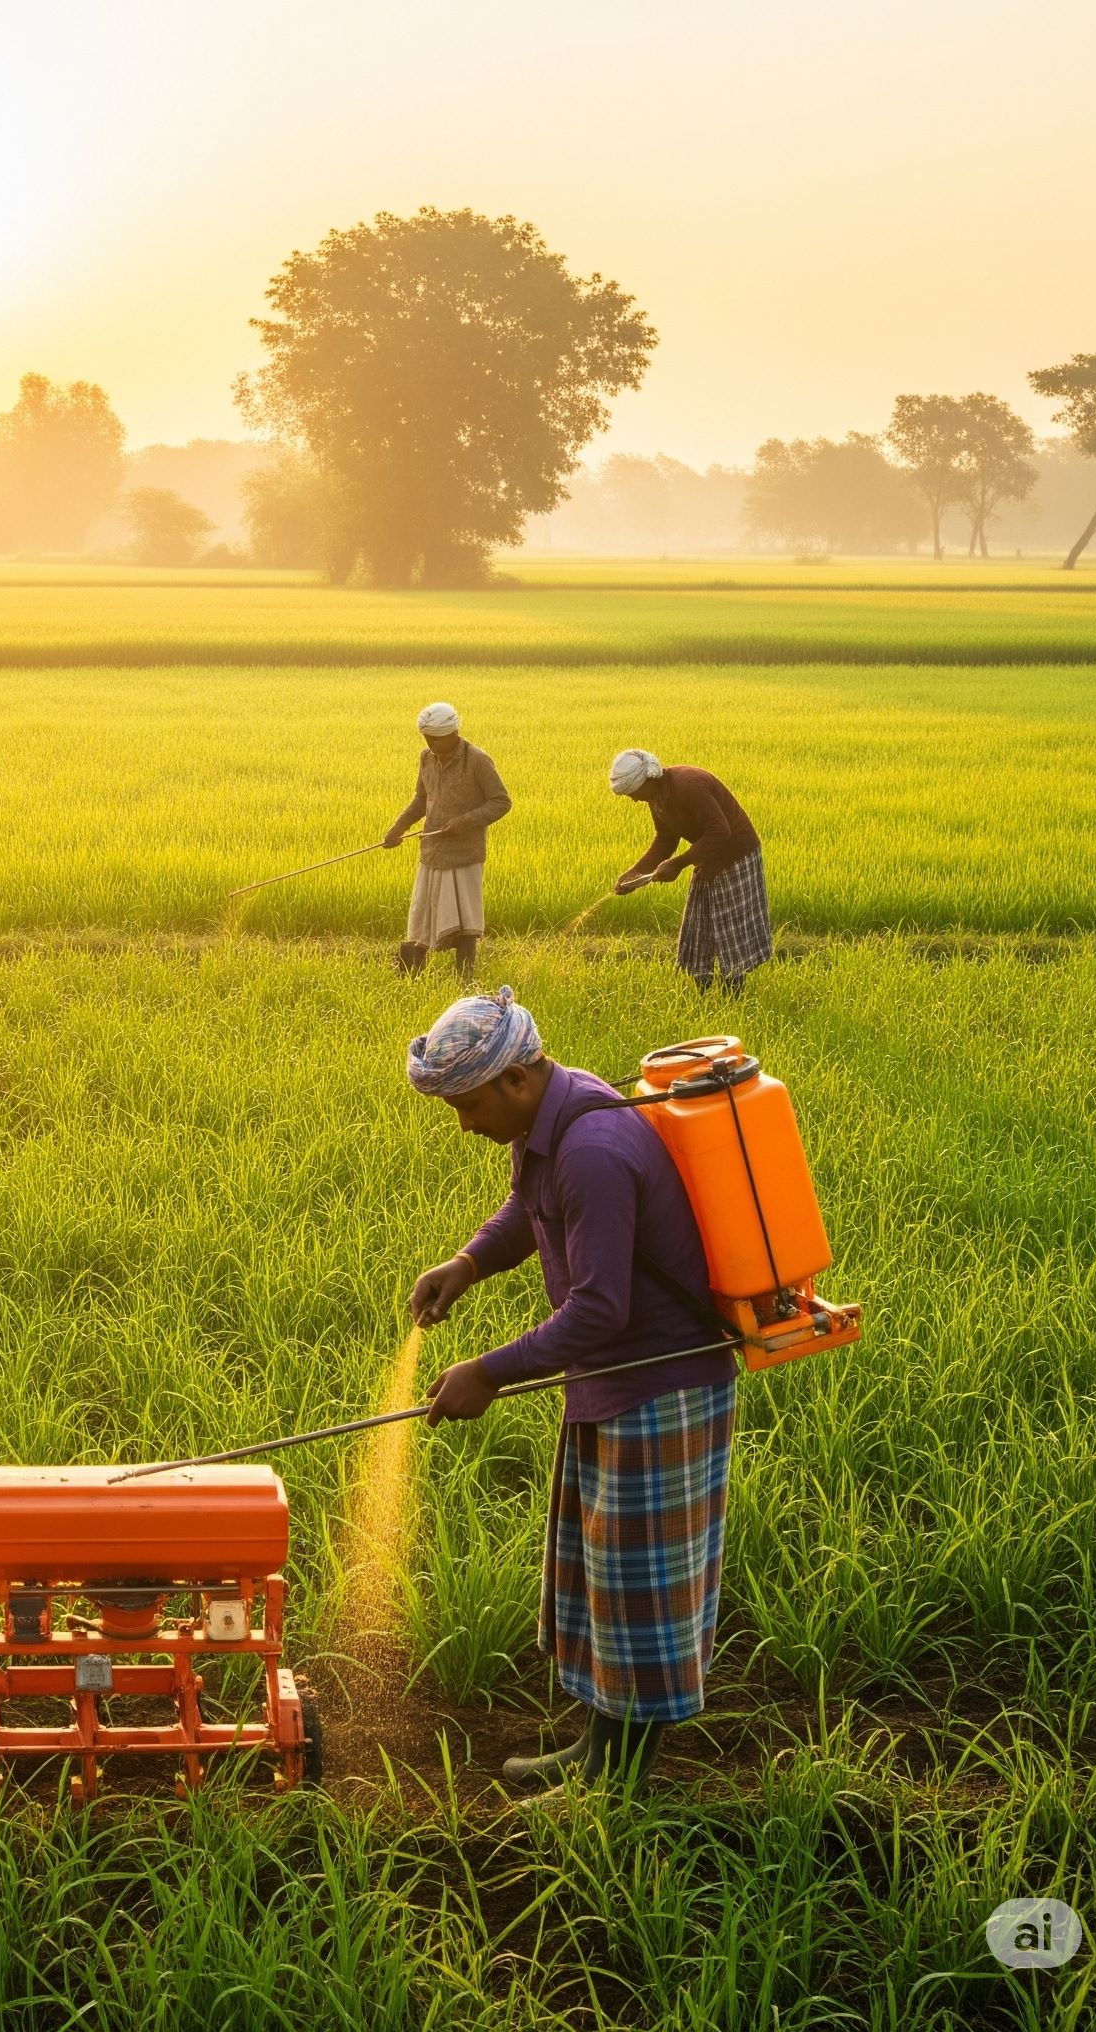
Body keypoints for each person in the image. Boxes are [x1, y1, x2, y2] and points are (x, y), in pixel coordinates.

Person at [406, 988, 737, 1795]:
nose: (464, 1125)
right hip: (613, 1384)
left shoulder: (591, 1147)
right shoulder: (553, 1116)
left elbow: (599, 1308)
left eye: (469, 1105)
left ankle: (614, 1786)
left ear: (516, 1078)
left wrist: (488, 1371)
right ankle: (594, 1753)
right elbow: (531, 1207)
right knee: (605, 1587)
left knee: (639, 1599)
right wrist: (469, 1263)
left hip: (658, 1389)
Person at [609, 750, 770, 993]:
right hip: (710, 855)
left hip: (736, 855)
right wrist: (636, 872)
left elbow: (720, 831)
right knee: (699, 926)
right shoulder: (657, 797)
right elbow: (666, 838)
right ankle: (703, 991)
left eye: (632, 792)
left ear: (647, 780)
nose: (633, 799)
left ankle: (733, 994)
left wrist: (678, 864)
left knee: (730, 929)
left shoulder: (689, 786)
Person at [382, 702, 511, 979]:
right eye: (426, 738)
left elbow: (501, 802)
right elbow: (421, 799)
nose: (430, 744)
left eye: (435, 739)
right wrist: (399, 827)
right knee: (421, 918)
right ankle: (409, 980)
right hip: (431, 853)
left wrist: (464, 822)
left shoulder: (477, 760)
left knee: (465, 924)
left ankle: (465, 981)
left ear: (453, 733)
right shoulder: (426, 758)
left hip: (464, 856)